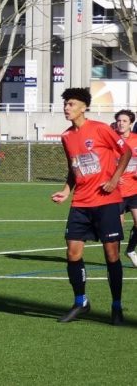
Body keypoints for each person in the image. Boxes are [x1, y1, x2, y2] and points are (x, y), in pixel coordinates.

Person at [51, 88, 131, 325]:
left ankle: (116, 307)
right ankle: (81, 302)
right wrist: (66, 191)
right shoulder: (66, 137)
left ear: (84, 107)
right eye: (66, 104)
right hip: (80, 203)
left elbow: (126, 152)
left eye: (71, 104)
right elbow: (73, 168)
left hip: (106, 201)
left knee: (112, 255)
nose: (67, 108)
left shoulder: (100, 129)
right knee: (72, 253)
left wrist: (115, 179)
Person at [113, 109, 137, 268]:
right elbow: (103, 161)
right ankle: (115, 261)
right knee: (118, 228)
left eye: (124, 121)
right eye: (119, 121)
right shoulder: (111, 139)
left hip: (134, 189)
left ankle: (130, 250)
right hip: (117, 192)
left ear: (131, 124)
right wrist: (113, 176)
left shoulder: (136, 140)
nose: (121, 123)